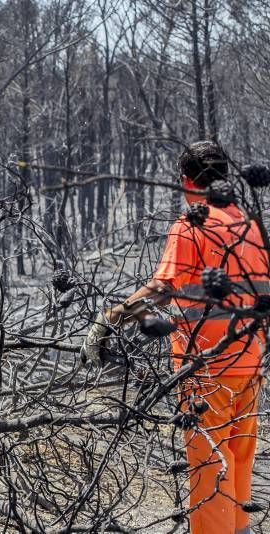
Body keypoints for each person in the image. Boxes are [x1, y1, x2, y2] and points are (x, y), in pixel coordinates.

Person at [82, 141, 266, 534]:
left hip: (206, 369)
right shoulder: (250, 227)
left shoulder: (192, 226)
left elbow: (161, 289)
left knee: (210, 465)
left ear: (187, 182)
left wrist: (107, 322)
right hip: (249, 366)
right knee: (238, 460)